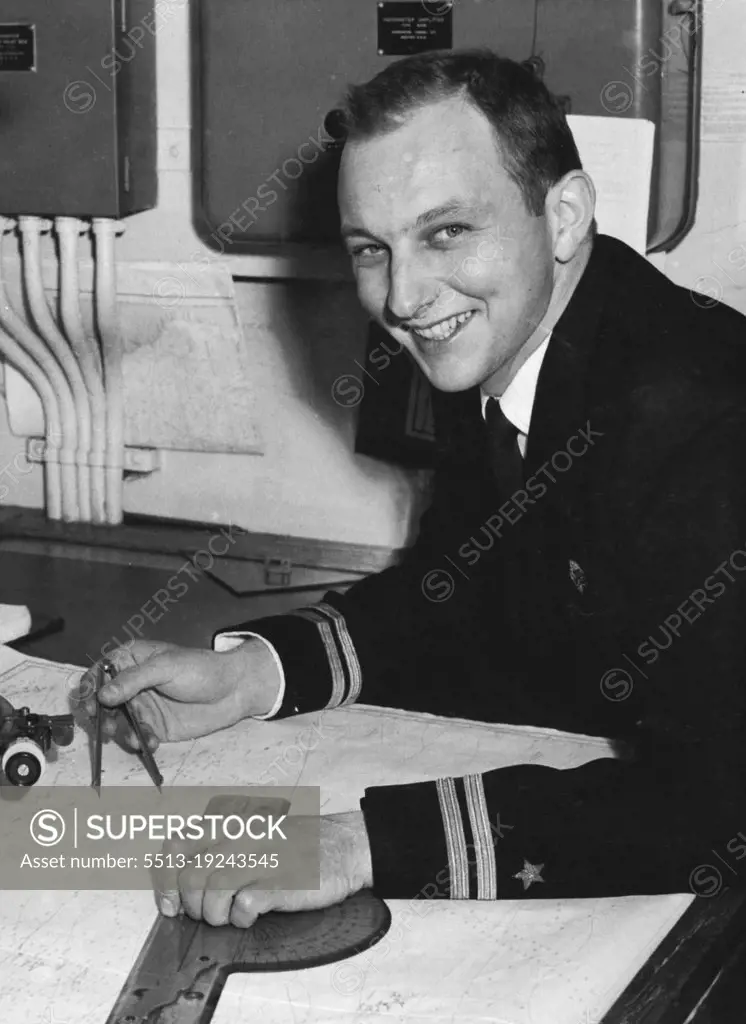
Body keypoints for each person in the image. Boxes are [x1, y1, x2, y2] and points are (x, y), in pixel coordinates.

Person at [86, 49, 746, 928]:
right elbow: (458, 592)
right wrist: (253, 674)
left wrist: (366, 843)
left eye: (446, 232)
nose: (402, 297)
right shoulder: (524, 341)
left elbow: (719, 802)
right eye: (372, 249)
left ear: (564, 216)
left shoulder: (698, 415)